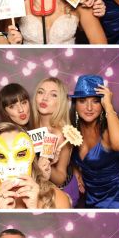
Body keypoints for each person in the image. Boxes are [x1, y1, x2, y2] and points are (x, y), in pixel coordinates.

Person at [0, 123, 71, 209]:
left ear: (32, 157)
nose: (11, 166)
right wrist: (2, 215)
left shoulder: (57, 200)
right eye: (0, 156)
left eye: (20, 154)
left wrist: (34, 210)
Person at [69, 75, 119, 208]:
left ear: (102, 103)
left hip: (118, 197)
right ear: (75, 104)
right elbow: (70, 155)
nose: (89, 108)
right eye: (82, 101)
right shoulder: (71, 129)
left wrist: (109, 107)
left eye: (95, 101)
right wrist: (76, 170)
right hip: (91, 196)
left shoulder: (108, 130)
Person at [32, 77, 80, 205]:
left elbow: (60, 178)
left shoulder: (60, 134)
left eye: (53, 95)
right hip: (38, 189)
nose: (45, 98)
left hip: (61, 192)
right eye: (41, 92)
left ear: (61, 102)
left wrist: (46, 166)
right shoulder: (31, 126)